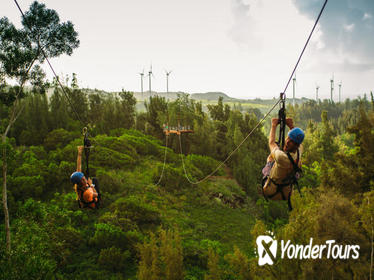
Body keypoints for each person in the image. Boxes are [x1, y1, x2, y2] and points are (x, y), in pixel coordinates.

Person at [262, 117, 305, 209]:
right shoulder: (299, 151)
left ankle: (268, 171)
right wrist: (291, 126)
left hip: (270, 191)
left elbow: (271, 143)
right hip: (286, 193)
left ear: (296, 145)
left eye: (291, 141)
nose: (287, 142)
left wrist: (273, 125)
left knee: (270, 159)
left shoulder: (281, 157)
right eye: (288, 138)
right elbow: (298, 141)